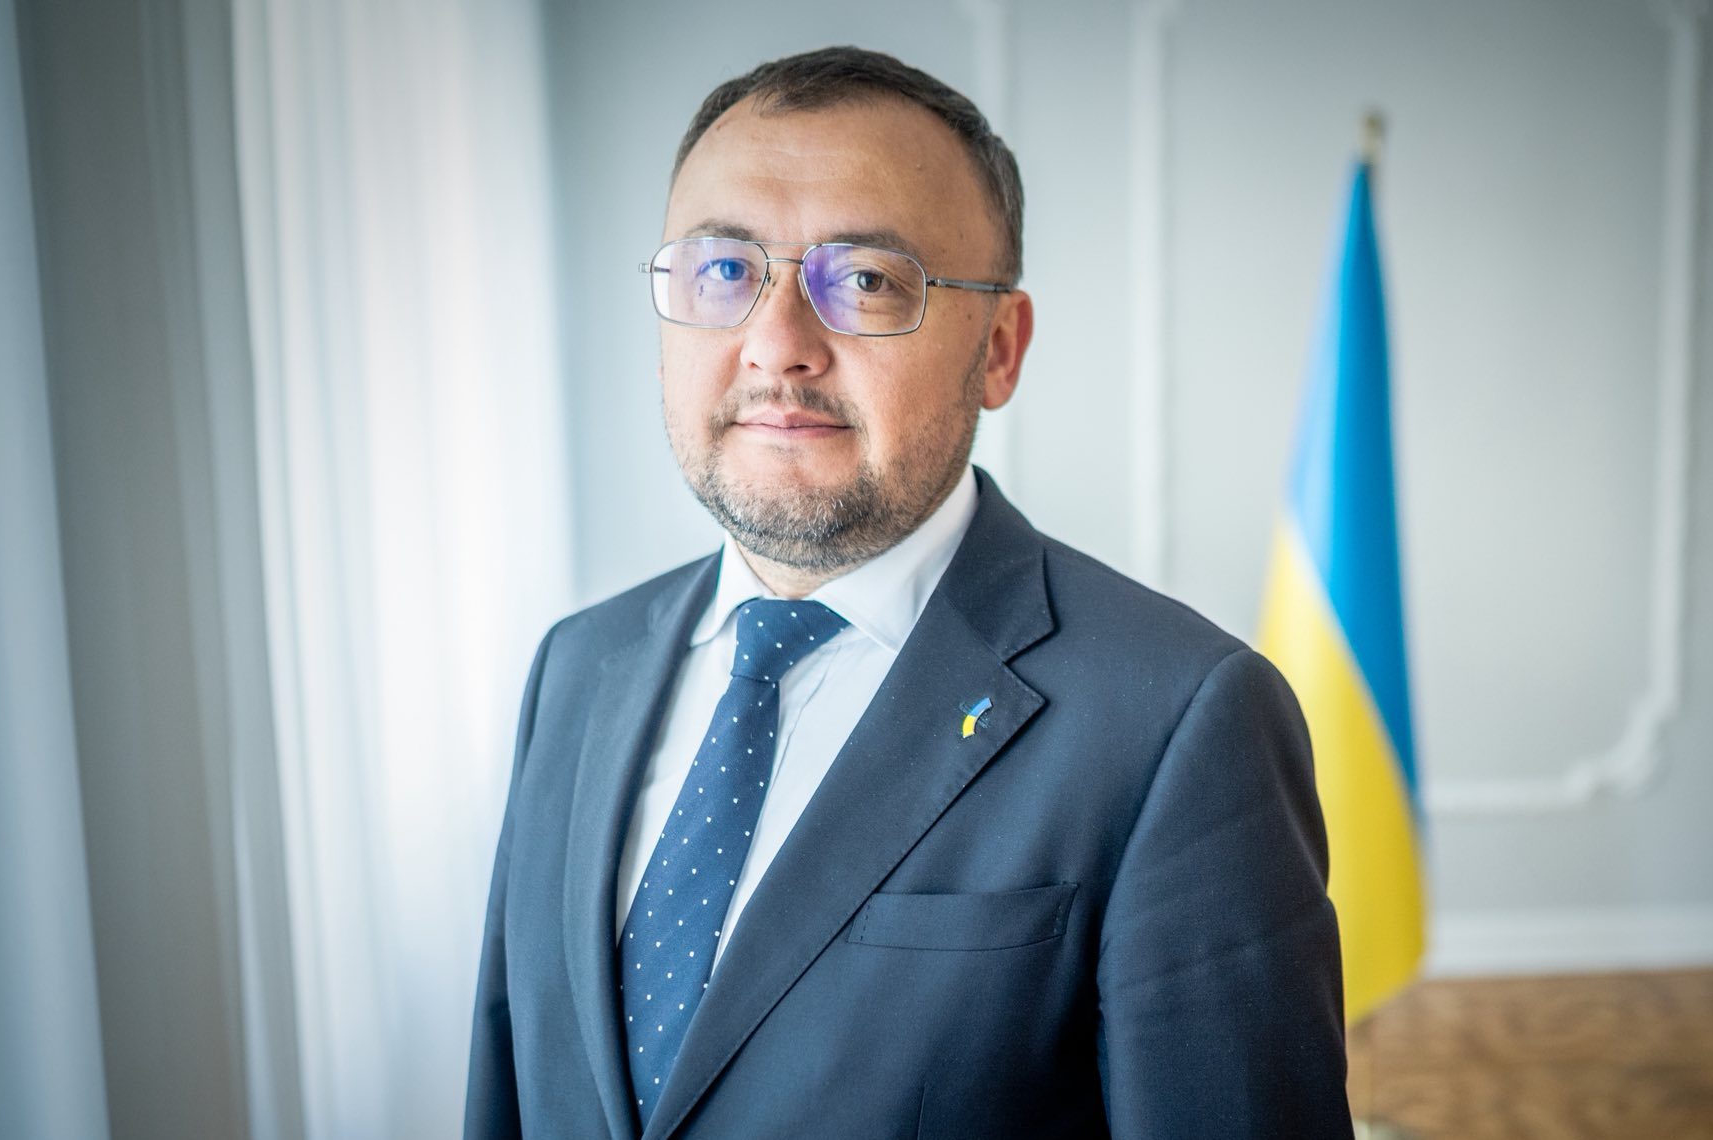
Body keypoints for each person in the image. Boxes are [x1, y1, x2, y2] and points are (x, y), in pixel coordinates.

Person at [465, 45, 1351, 1139]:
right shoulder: (576, 666)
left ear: (999, 349)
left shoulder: (1181, 722)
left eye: (867, 282)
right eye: (723, 271)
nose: (776, 347)